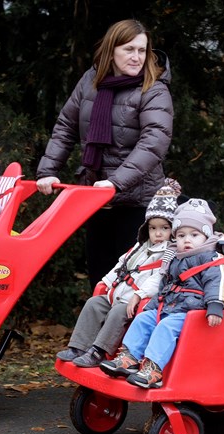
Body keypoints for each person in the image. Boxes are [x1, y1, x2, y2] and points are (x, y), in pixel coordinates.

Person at [36, 19, 173, 287]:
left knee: (130, 284)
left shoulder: (153, 88)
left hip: (137, 203)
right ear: (112, 50)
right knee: (99, 279)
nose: (137, 57)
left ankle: (128, 331)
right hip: (96, 197)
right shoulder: (92, 80)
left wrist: (115, 182)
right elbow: (66, 126)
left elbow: (154, 141)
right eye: (129, 49)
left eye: (142, 51)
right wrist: (48, 171)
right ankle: (98, 330)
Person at [99, 199, 224, 389]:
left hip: (192, 312)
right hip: (169, 306)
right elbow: (165, 287)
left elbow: (217, 282)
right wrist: (153, 305)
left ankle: (154, 369)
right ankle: (129, 358)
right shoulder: (175, 260)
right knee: (144, 319)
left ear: (206, 236)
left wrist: (215, 305)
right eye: (181, 235)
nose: (187, 240)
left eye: (194, 235)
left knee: (166, 327)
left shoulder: (211, 259)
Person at [56, 178, 180, 367]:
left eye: (164, 228)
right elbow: (121, 265)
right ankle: (79, 346)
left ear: (172, 230)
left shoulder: (169, 253)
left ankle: (99, 351)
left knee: (117, 313)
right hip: (118, 293)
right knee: (94, 303)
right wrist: (106, 282)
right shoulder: (140, 246)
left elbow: (159, 279)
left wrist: (139, 295)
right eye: (153, 228)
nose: (158, 233)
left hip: (135, 301)